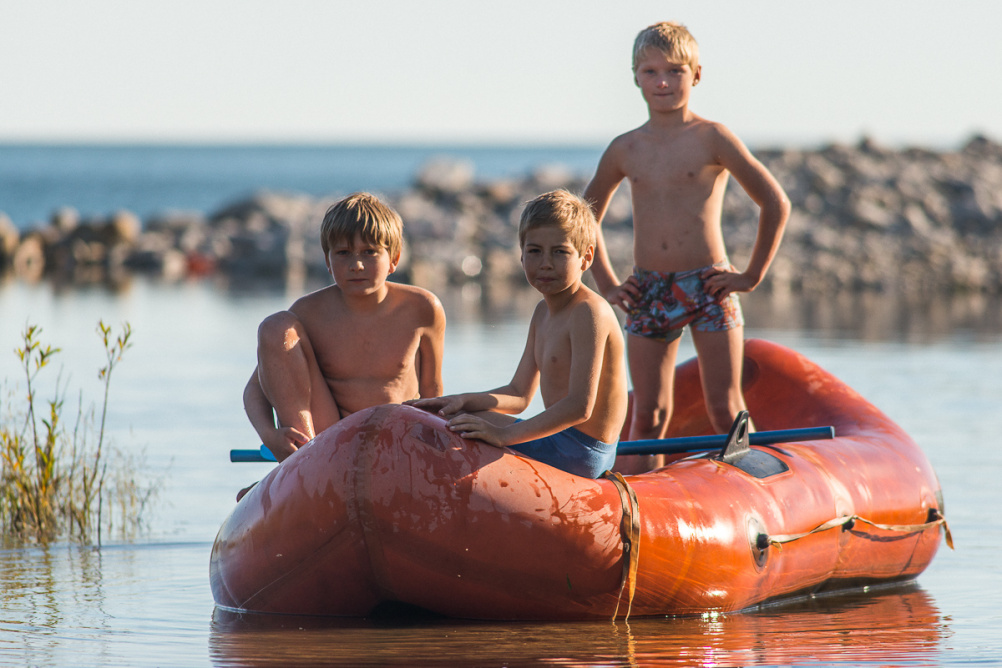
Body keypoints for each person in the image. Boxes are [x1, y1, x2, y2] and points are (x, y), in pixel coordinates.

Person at [583, 21, 790, 466]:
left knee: (725, 407)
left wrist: (751, 275)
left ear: (696, 74)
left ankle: (758, 483)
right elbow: (586, 217)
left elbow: (775, 203)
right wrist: (609, 284)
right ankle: (643, 499)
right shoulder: (626, 148)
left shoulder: (712, 137)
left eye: (675, 71)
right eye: (651, 71)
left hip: (710, 286)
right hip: (649, 290)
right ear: (635, 77)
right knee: (649, 414)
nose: (663, 82)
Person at [408, 190, 628, 479]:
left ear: (586, 258)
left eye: (560, 252)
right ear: (521, 256)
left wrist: (503, 435)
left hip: (582, 451)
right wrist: (462, 400)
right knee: (450, 416)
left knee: (457, 427)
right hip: (560, 440)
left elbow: (579, 407)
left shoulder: (589, 312)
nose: (546, 263)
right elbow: (519, 394)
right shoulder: (542, 312)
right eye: (535, 251)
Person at [243, 192, 446, 464]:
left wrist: (434, 453)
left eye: (369, 252)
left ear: (394, 259)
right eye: (343, 253)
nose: (356, 265)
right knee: (275, 326)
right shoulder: (308, 314)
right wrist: (270, 435)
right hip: (329, 440)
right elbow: (255, 390)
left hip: (398, 435)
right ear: (328, 261)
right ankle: (303, 460)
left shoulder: (423, 308)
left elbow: (433, 388)